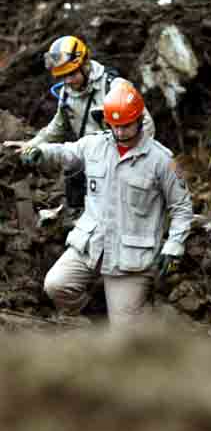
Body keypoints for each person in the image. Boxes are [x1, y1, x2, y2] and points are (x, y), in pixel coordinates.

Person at [14, 80, 192, 327]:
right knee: (56, 285)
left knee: (124, 335)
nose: (120, 133)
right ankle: (96, 314)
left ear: (140, 120)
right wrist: (41, 152)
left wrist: (173, 247)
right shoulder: (94, 144)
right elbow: (66, 152)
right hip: (91, 244)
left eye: (126, 126)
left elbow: (182, 207)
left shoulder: (162, 160)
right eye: (114, 126)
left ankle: (138, 315)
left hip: (130, 257)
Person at [3, 36, 155, 214]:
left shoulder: (115, 88)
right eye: (63, 76)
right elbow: (57, 127)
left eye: (72, 74)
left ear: (85, 65)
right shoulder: (67, 93)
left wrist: (126, 156)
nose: (67, 81)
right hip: (91, 164)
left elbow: (146, 125)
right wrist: (31, 145)